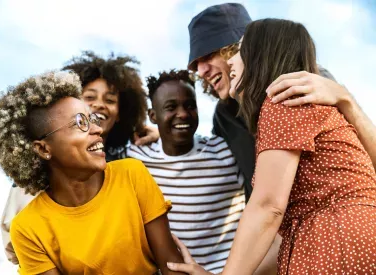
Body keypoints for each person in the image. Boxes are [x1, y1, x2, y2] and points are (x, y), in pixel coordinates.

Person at [168, 19, 376, 274]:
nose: (232, 61)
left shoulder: (290, 96)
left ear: (261, 55)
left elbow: (268, 207)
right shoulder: (229, 116)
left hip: (336, 244)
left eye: (239, 51)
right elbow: (280, 227)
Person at [0, 71, 185, 274]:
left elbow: (172, 266)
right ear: (43, 149)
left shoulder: (132, 174)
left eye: (91, 119)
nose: (97, 129)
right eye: (80, 123)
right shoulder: (27, 227)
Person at [186, 3, 376, 204]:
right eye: (196, 64)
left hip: (336, 225)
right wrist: (160, 139)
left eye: (208, 55)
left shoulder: (307, 80)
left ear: (242, 49)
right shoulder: (224, 115)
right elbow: (214, 157)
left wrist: (345, 100)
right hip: (273, 232)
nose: (201, 71)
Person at [0, 51, 152, 264]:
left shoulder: (130, 165)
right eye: (89, 97)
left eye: (110, 100)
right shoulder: (39, 176)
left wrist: (160, 134)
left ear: (121, 113)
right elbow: (16, 244)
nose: (98, 105)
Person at [125, 69, 245, 273]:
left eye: (190, 106)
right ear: (153, 116)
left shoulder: (224, 152)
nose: (182, 113)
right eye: (171, 107)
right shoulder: (135, 159)